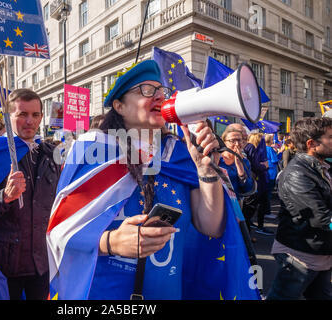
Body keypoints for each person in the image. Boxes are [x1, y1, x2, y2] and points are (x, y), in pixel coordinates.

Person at [46, 60, 260, 300]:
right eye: (146, 90)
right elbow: (59, 231)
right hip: (103, 293)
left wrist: (207, 172)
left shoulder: (180, 155)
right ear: (119, 105)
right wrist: (110, 242)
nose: (159, 96)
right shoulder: (92, 152)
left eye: (161, 90)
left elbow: (211, 226)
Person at [0, 89, 60, 300]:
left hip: (42, 263)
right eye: (22, 114)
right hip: (5, 266)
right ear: (8, 119)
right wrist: (5, 196)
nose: (30, 121)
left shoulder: (49, 154)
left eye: (35, 115)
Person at [267, 117, 332, 300]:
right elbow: (322, 218)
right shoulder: (297, 173)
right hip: (300, 256)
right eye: (331, 137)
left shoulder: (324, 167)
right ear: (312, 144)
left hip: (321, 253)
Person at [242, 132, 273, 236]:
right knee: (255, 205)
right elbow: (254, 166)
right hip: (257, 181)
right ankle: (257, 227)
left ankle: (252, 226)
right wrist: (264, 166)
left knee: (252, 206)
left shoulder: (250, 148)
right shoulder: (251, 148)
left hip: (255, 180)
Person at [219, 125, 255, 202]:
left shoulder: (245, 162)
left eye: (239, 140)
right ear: (224, 142)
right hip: (218, 202)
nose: (237, 144)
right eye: (232, 141)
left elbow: (247, 189)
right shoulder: (217, 159)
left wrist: (241, 170)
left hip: (236, 203)